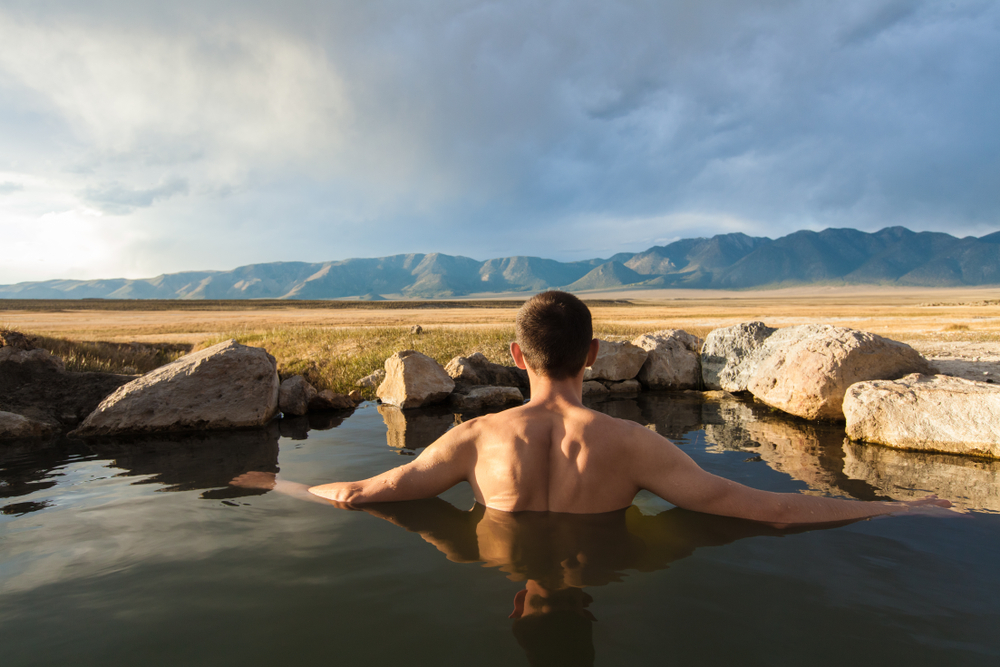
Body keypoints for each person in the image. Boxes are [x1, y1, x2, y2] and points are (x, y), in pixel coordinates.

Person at [302, 291, 949, 523]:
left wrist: (275, 483)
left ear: (516, 356)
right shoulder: (634, 445)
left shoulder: (473, 440)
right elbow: (773, 508)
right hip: (602, 557)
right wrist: (899, 506)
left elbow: (361, 493)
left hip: (505, 551)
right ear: (593, 354)